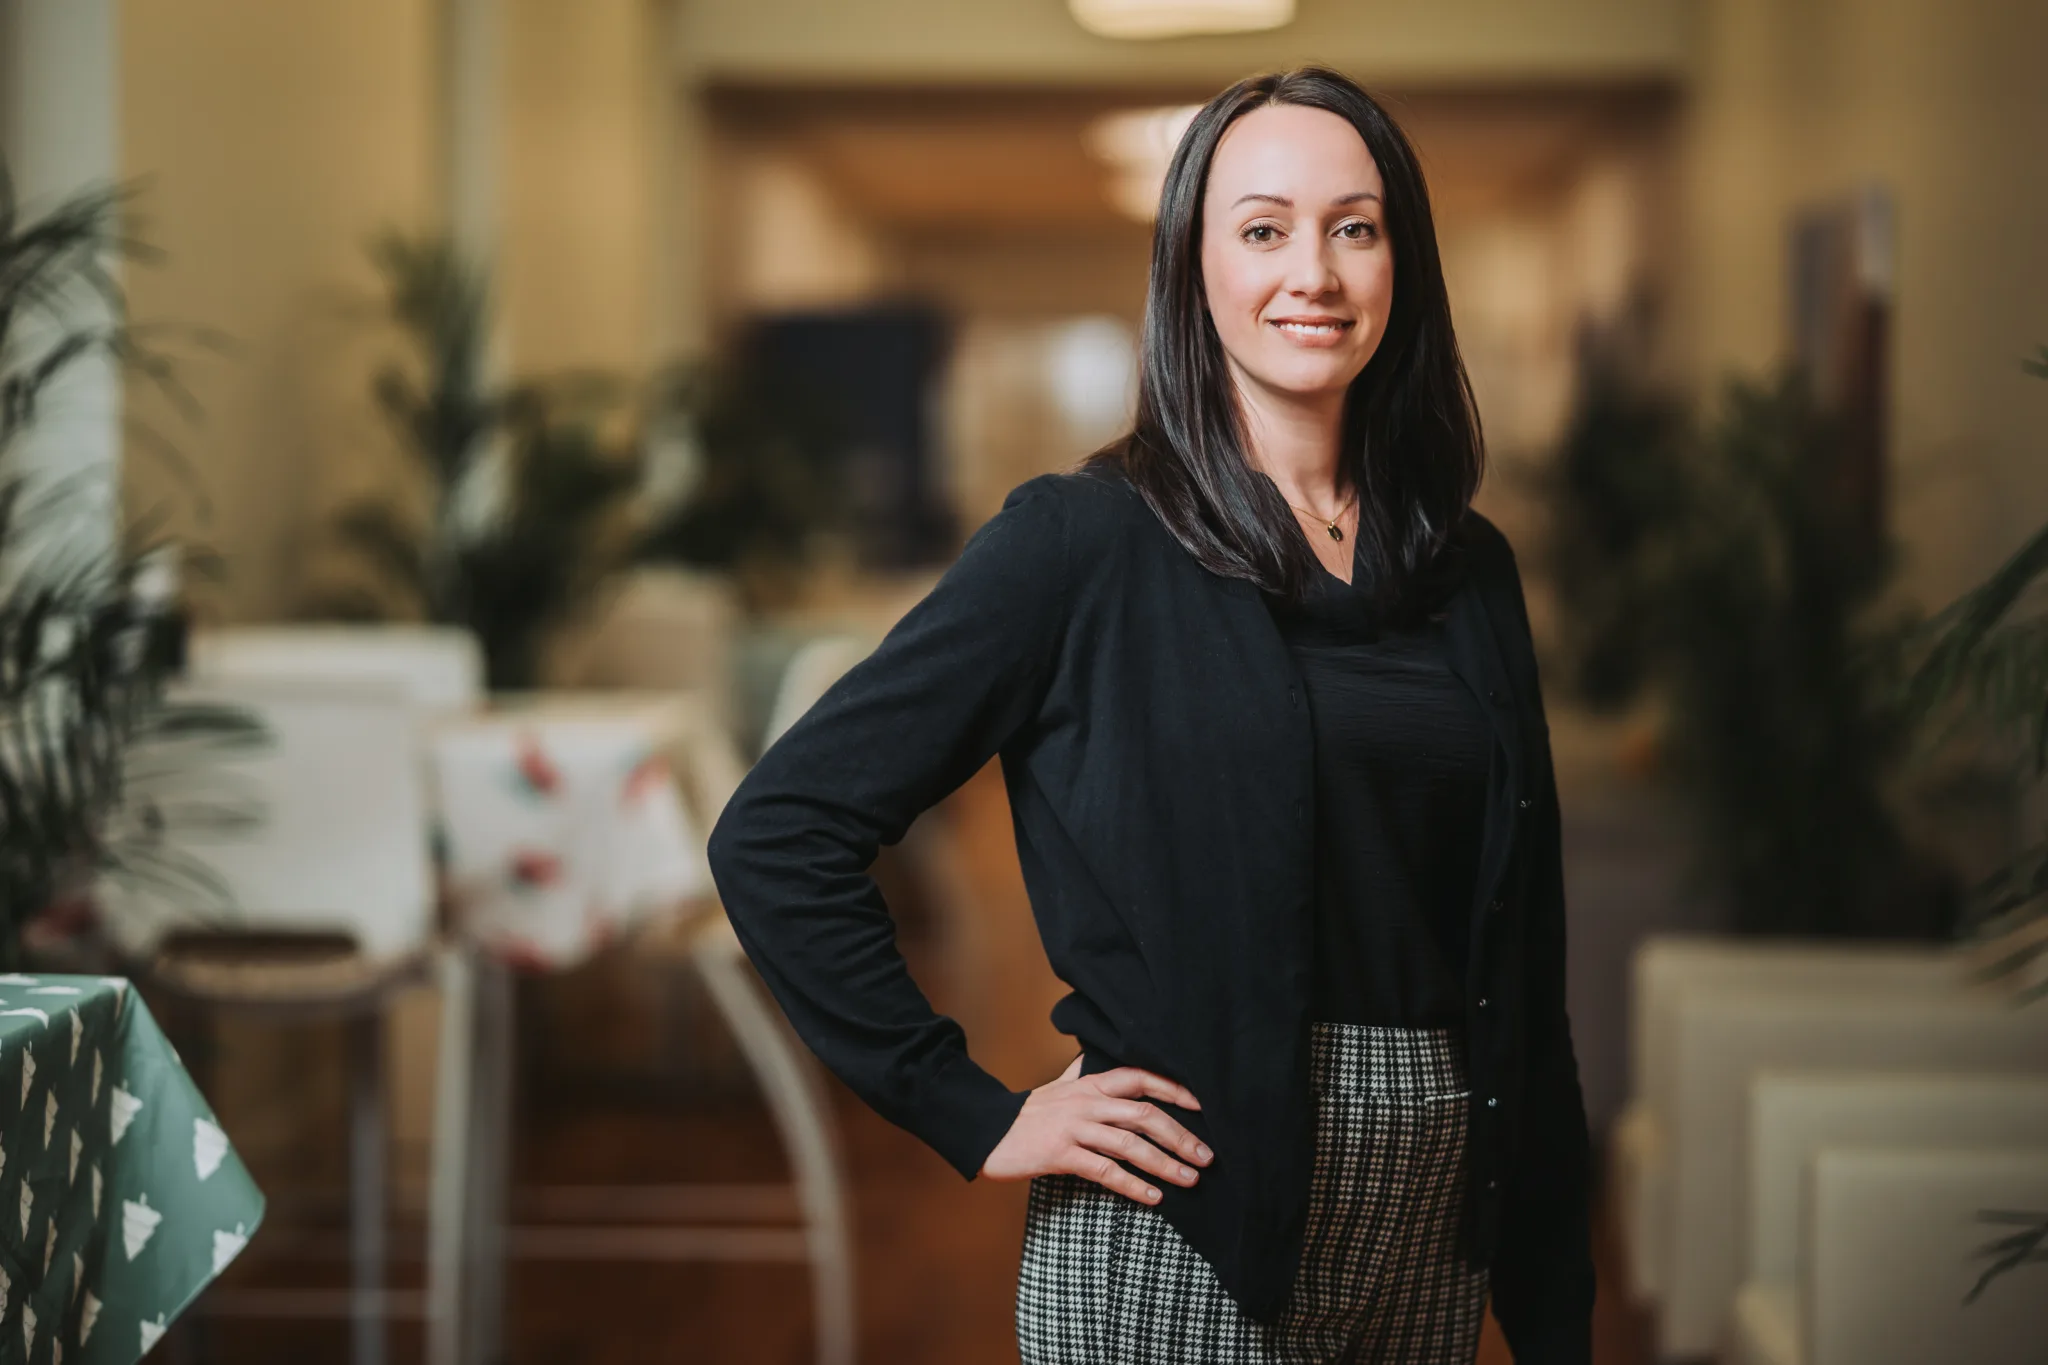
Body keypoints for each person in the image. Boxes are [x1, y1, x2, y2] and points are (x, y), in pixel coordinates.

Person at [707, 66, 1594, 1365]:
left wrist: (1557, 1310)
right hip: (1181, 1223)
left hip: (1432, 1223)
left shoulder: (1473, 574)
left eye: (1355, 226)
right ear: (1192, 267)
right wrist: (973, 1109)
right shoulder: (1082, 543)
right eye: (1262, 228)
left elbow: (1526, 964)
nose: (1316, 271)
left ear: (1403, 262)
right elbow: (779, 831)